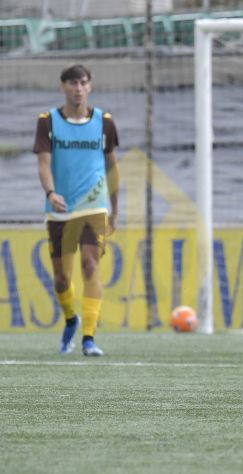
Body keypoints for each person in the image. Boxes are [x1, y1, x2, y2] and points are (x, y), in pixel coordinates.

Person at [34, 64, 120, 356]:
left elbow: (112, 165)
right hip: (59, 207)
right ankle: (71, 319)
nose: (78, 88)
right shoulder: (47, 122)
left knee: (90, 264)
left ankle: (89, 338)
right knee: (61, 279)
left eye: (83, 83)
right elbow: (44, 164)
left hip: (94, 207)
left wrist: (115, 208)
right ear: (63, 87)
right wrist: (51, 191)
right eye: (73, 83)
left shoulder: (104, 122)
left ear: (90, 86)